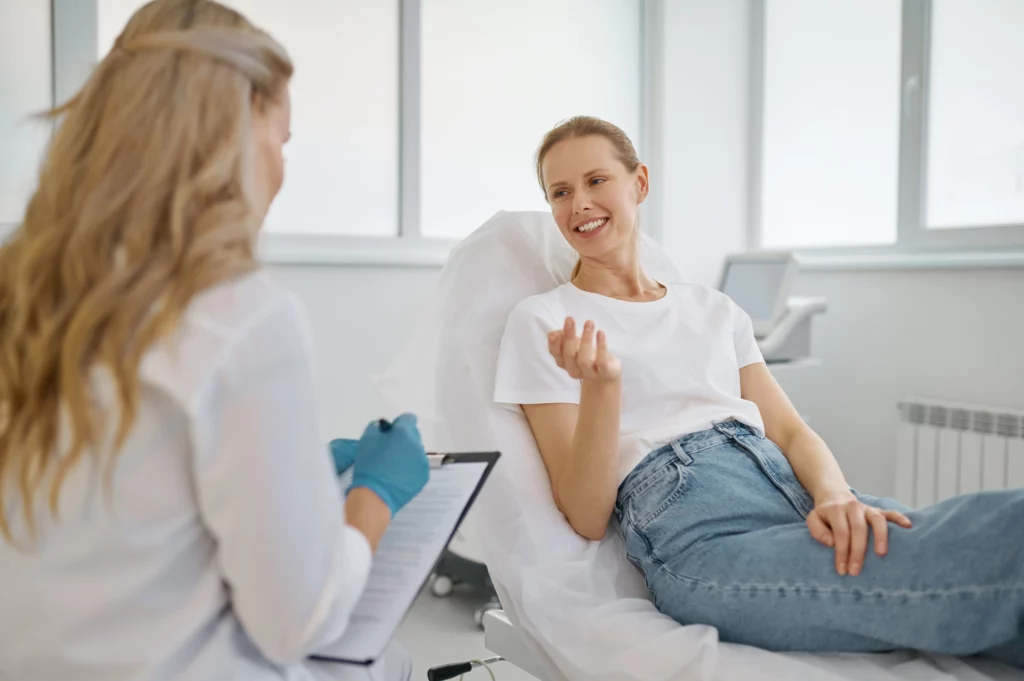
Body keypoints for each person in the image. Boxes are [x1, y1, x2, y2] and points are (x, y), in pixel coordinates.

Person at [493, 115, 1024, 667]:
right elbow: (583, 514)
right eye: (560, 191)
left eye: (596, 180)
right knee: (988, 544)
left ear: (639, 183)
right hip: (701, 534)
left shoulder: (714, 309)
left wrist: (836, 496)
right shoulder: (545, 321)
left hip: (791, 491)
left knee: (978, 544)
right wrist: (603, 390)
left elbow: (791, 431)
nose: (579, 202)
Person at [0, 1, 428, 680]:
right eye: (283, 139)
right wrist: (371, 495)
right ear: (238, 122)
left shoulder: (20, 290)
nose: (282, 171)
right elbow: (300, 620)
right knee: (392, 662)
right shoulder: (239, 314)